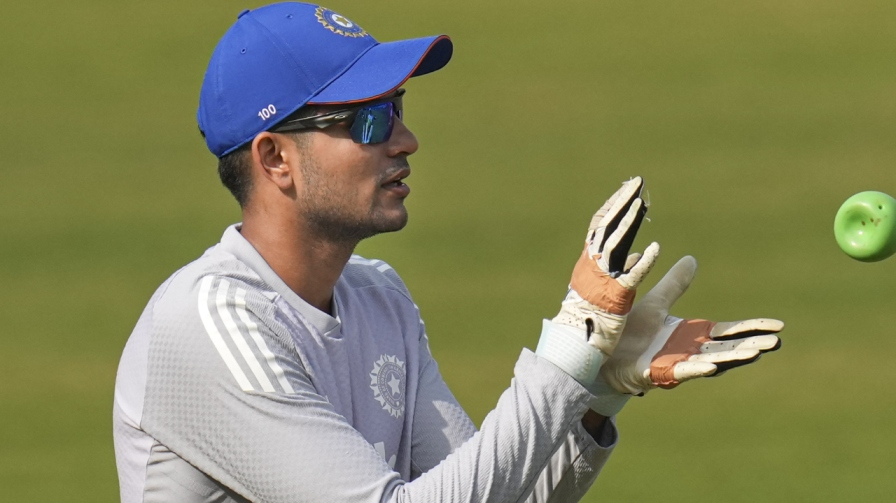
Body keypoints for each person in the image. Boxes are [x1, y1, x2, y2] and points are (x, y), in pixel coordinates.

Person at [112, 3, 783, 502]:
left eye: (397, 106)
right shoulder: (212, 322)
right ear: (275, 158)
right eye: (369, 120)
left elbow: (494, 492)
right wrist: (569, 345)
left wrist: (595, 390)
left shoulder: (379, 296)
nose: (405, 140)